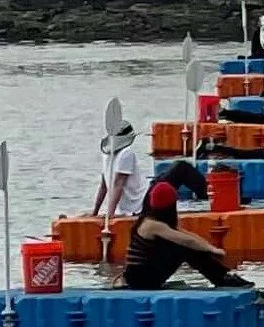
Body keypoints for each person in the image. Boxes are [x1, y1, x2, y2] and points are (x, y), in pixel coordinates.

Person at [122, 181, 253, 289]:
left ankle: (223, 276)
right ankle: (222, 278)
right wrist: (212, 249)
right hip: (140, 280)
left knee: (188, 246)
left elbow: (187, 235)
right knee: (183, 247)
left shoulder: (153, 220)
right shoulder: (152, 225)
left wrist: (208, 246)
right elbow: (186, 241)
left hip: (141, 276)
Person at [92, 119, 150, 220]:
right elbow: (112, 185)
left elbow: (112, 185)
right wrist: (96, 214)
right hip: (138, 204)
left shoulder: (108, 154)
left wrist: (107, 213)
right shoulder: (125, 153)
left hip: (141, 199)